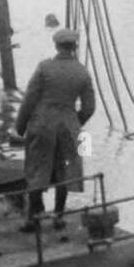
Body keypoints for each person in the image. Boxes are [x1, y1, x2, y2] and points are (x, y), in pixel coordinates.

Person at [13, 28, 96, 231]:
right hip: (68, 127)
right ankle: (59, 217)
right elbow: (89, 108)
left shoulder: (44, 68)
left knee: (36, 170)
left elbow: (29, 100)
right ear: (75, 47)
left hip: (42, 125)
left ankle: (34, 219)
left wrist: (20, 128)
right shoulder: (82, 72)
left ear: (56, 46)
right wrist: (75, 123)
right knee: (64, 172)